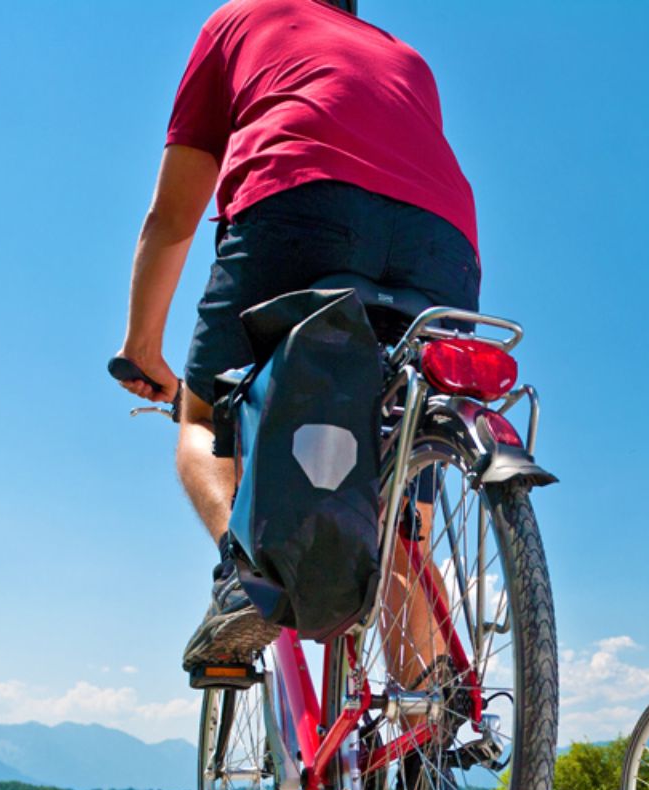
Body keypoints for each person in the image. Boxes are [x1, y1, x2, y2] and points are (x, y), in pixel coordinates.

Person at [111, 0, 481, 682]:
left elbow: (172, 216)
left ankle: (244, 578)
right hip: (445, 244)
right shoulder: (407, 58)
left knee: (201, 418)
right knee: (398, 502)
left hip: (302, 197)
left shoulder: (239, 20)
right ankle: (429, 750)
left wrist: (142, 346)